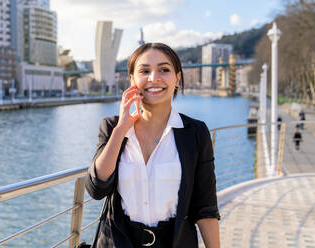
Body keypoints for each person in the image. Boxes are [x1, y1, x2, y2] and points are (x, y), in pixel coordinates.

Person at [85, 43, 220, 248]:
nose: (154, 78)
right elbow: (96, 188)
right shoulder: (112, 127)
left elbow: (205, 207)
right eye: (145, 71)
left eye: (164, 70)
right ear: (132, 80)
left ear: (178, 78)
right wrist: (122, 128)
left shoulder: (196, 133)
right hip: (119, 241)